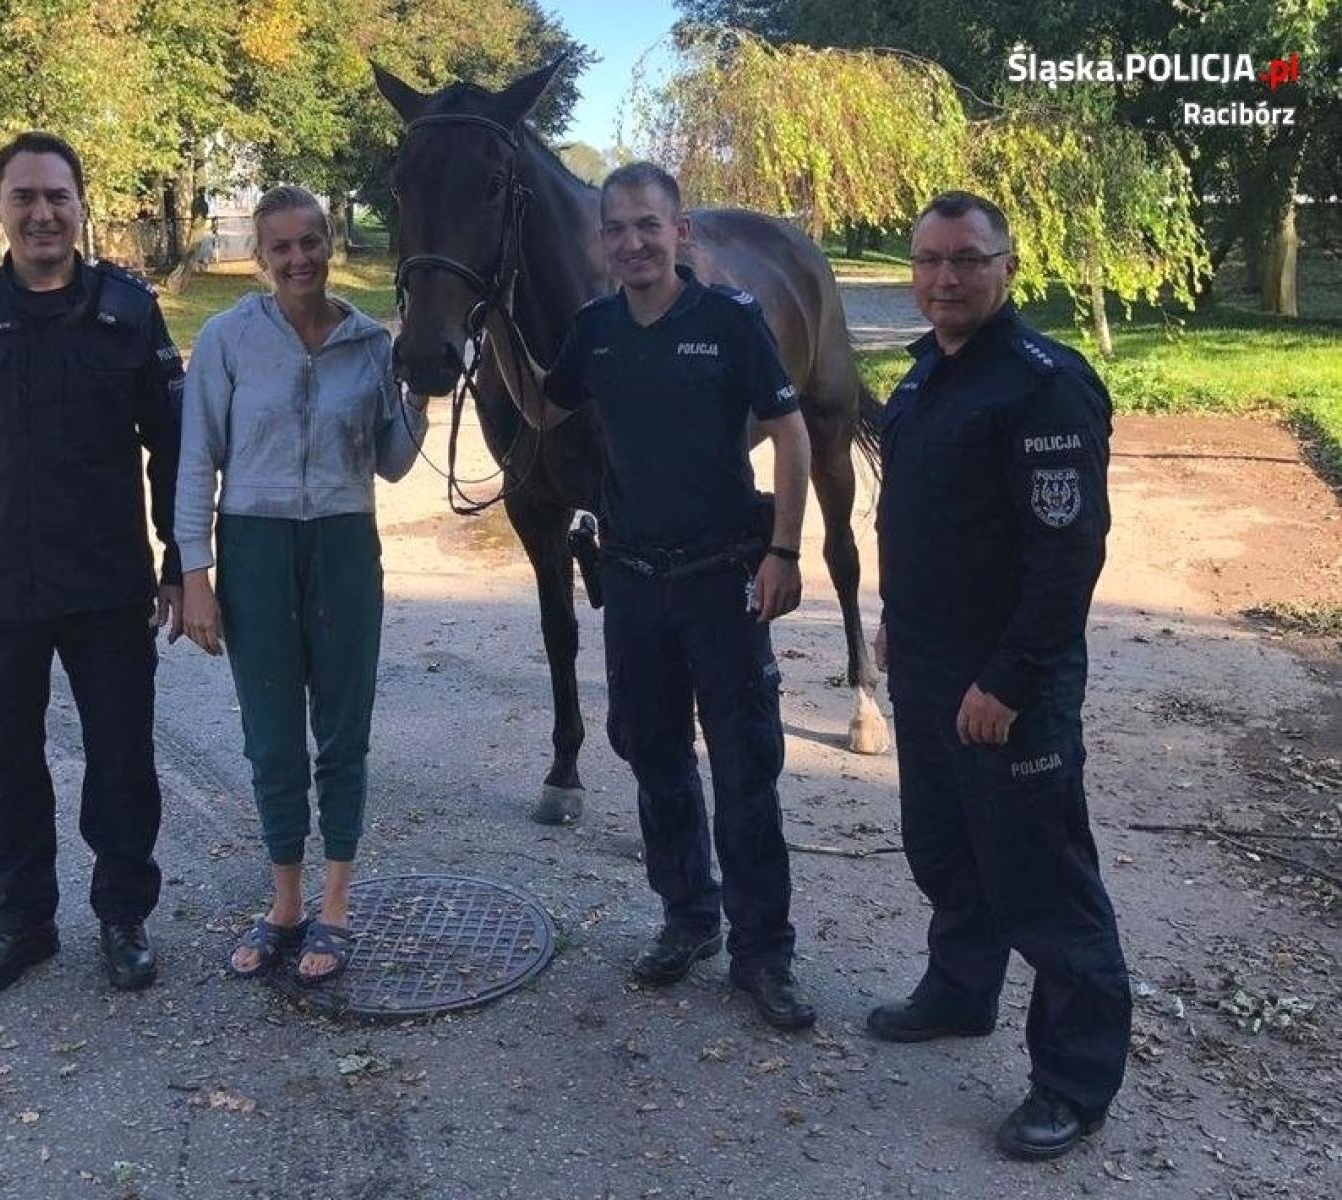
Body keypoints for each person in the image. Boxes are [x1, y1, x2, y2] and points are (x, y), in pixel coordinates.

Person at [491, 162, 816, 1031]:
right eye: (617, 229)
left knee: (746, 765)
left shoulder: (728, 320)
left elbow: (788, 433)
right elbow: (540, 408)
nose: (632, 242)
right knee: (654, 757)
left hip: (721, 576)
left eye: (648, 225)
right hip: (632, 580)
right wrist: (489, 326)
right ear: (601, 243)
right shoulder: (594, 330)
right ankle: (686, 918)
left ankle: (762, 952)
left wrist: (783, 549)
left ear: (680, 234)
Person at [0, 131, 184, 999]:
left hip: (106, 584)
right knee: (2, 769)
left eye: (58, 196)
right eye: (25, 197)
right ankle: (21, 924)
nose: (42, 212)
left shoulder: (129, 311)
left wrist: (179, 559)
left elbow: (171, 447)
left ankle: (122, 917)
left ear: (82, 205)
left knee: (121, 760)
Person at [869, 190, 1131, 1159]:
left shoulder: (1041, 385)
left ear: (1007, 267)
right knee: (942, 849)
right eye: (930, 259)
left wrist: (1010, 681)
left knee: (1045, 886)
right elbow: (922, 523)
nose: (946, 278)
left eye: (968, 260)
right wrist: (899, 620)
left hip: (1008, 690)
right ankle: (961, 989)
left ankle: (1072, 1080)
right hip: (930, 673)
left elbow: (1067, 556)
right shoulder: (920, 381)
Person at [175, 185, 428, 986]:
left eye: (310, 242)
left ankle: (337, 903)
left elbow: (390, 461)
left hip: (345, 543)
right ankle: (284, 903)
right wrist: (195, 574)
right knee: (271, 733)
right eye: (280, 247)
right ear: (260, 257)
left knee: (343, 730)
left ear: (329, 244)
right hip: (253, 545)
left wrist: (419, 389)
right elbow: (196, 458)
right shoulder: (226, 338)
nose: (298, 260)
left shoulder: (367, 342)